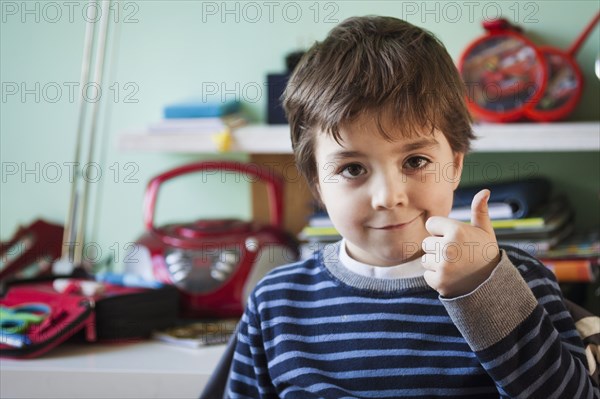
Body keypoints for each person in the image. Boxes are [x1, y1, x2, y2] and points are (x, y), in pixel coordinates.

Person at [225, 16, 599, 398]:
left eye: (415, 161)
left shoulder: (520, 281)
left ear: (455, 164)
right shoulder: (275, 304)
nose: (389, 196)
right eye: (352, 168)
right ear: (317, 182)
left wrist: (485, 291)